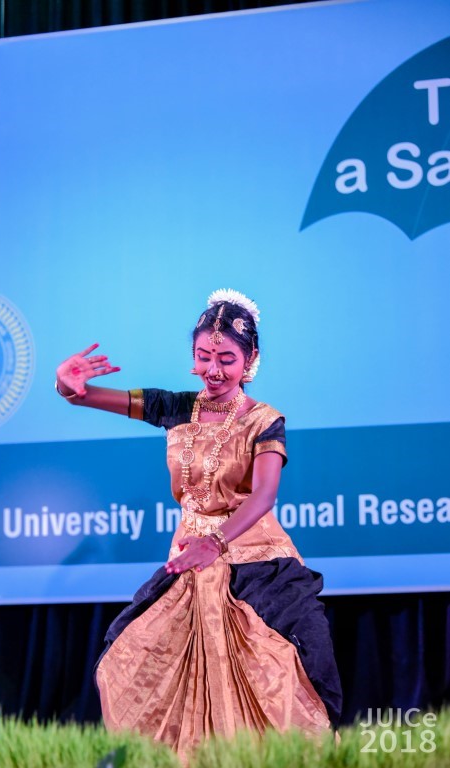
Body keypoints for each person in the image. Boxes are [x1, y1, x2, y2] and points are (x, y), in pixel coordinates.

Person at [55, 289, 342, 764]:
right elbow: (84, 396)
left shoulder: (265, 421)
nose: (214, 369)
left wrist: (216, 542)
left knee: (292, 668)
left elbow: (264, 496)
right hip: (188, 560)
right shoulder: (174, 407)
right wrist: (67, 386)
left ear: (250, 359)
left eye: (226, 359)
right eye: (204, 356)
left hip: (256, 559)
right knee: (133, 658)